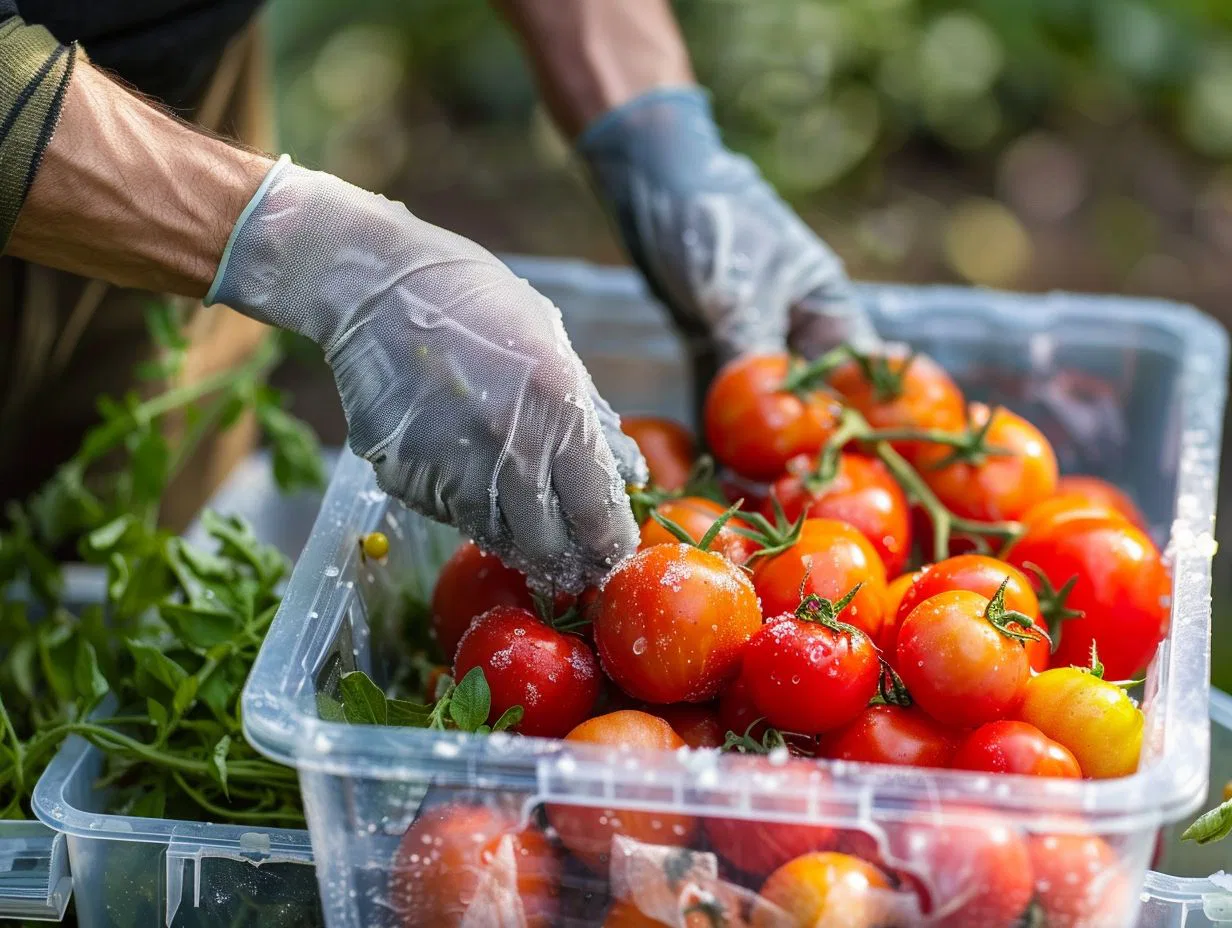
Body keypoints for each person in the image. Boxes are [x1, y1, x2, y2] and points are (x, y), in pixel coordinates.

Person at [0, 0, 873, 591]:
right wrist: (311, 251)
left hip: (165, 89)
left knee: (119, 559)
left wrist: (650, 126)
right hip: (53, 123)